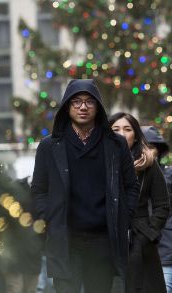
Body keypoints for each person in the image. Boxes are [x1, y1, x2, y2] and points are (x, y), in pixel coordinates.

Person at [31, 79, 140, 293]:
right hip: (65, 239)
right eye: (77, 102)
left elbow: (131, 186)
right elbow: (39, 189)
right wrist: (50, 216)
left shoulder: (115, 144)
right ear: (67, 107)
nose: (83, 107)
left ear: (98, 107)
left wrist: (123, 216)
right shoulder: (50, 146)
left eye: (89, 102)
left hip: (103, 241)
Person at [110, 112, 170, 293]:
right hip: (107, 238)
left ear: (135, 135)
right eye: (115, 129)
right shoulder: (99, 162)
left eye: (127, 129)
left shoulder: (148, 164)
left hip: (139, 238)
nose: (121, 133)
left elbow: (162, 204)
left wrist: (148, 233)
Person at [143, 125, 172, 293]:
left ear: (158, 151)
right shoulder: (126, 176)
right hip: (137, 251)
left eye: (151, 147)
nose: (145, 151)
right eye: (142, 146)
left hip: (168, 250)